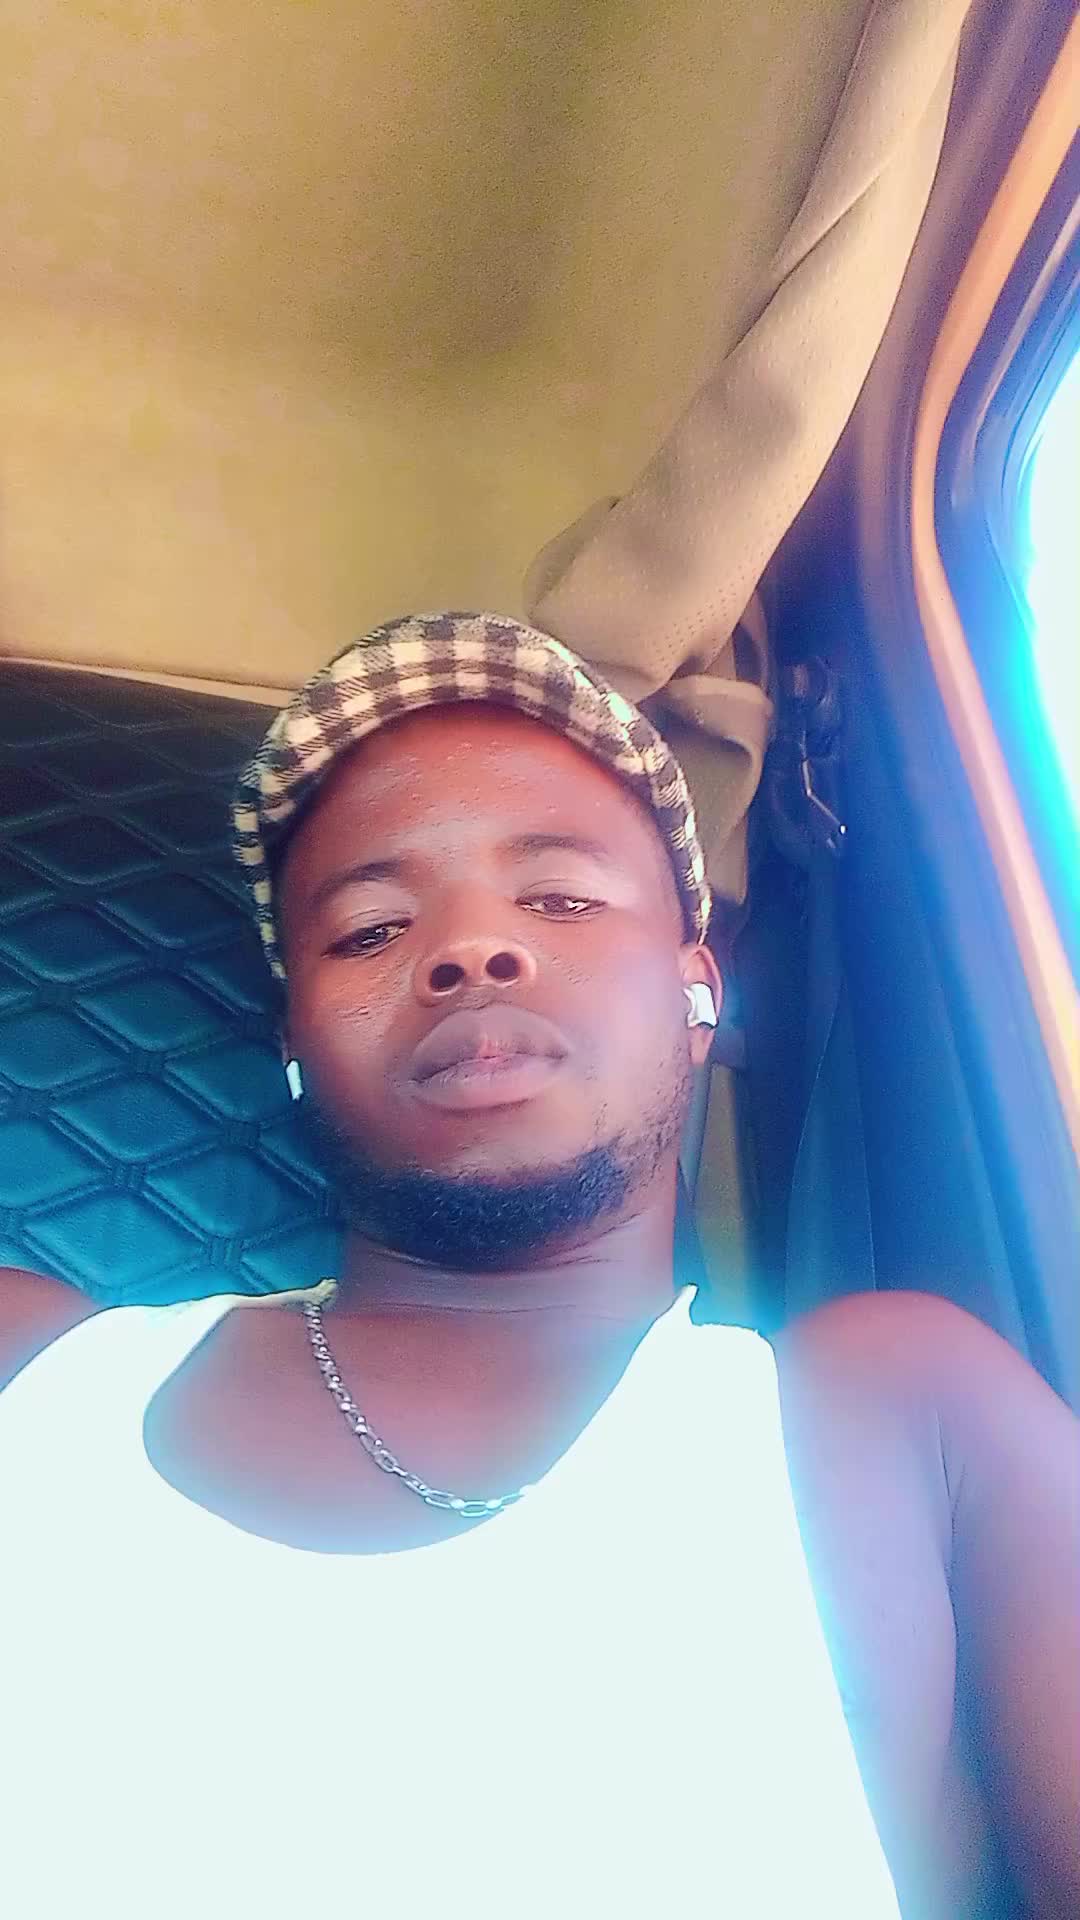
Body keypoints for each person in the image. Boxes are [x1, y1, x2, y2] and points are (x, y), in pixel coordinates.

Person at [1, 611, 1077, 1920]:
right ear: (294, 1048)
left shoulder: (909, 1411)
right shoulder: (37, 1368)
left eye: (561, 898)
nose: (471, 948)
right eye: (370, 930)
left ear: (700, 995)